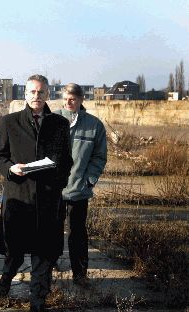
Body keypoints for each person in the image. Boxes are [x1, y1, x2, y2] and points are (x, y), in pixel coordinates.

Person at [0, 74, 73, 312]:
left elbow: (67, 160)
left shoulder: (59, 124)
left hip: (48, 200)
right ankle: (5, 280)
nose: (37, 96)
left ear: (48, 94)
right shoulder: (10, 122)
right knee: (14, 252)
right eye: (32, 92)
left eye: (41, 92)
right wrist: (10, 169)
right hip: (19, 197)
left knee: (44, 254)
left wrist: (58, 180)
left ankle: (38, 301)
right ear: (25, 94)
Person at [54, 83, 107, 286]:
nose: (69, 102)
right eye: (66, 98)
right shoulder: (53, 120)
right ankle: (49, 267)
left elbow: (99, 157)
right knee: (52, 231)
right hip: (54, 191)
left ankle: (80, 274)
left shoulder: (94, 125)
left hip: (79, 191)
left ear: (81, 100)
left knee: (77, 234)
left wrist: (89, 180)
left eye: (73, 99)